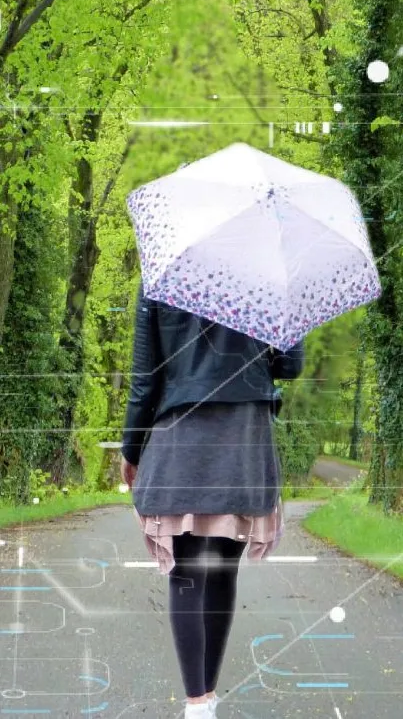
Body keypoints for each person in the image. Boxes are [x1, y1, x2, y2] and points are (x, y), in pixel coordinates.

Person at [120, 280, 304, 718]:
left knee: (188, 568)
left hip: (181, 427)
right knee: (222, 567)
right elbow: (290, 364)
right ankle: (208, 700)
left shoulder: (164, 275)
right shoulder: (265, 274)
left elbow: (146, 377)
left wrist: (131, 448)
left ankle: (196, 704)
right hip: (244, 434)